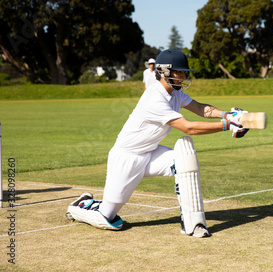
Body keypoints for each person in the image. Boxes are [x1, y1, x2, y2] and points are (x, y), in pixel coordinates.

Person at [66, 49, 249, 238]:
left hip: (151, 153)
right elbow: (189, 128)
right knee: (107, 218)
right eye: (179, 72)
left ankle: (192, 223)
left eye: (184, 72)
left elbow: (200, 108)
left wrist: (228, 114)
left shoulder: (175, 93)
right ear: (164, 72)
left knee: (184, 160)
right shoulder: (155, 97)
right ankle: (81, 205)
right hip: (127, 157)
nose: (183, 76)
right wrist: (227, 126)